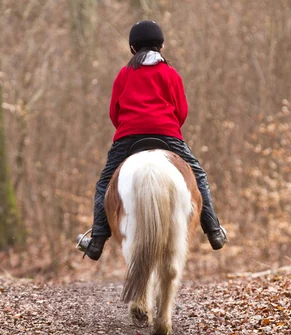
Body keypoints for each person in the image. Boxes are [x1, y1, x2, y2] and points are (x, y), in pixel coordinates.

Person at [76, 20, 228, 261]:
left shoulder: (124, 74)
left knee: (104, 184)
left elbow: (114, 112)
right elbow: (182, 111)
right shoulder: (171, 73)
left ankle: (96, 240)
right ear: (161, 46)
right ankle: (214, 231)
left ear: (133, 49)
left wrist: (129, 128)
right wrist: (168, 127)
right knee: (198, 176)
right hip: (168, 135)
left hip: (128, 137)